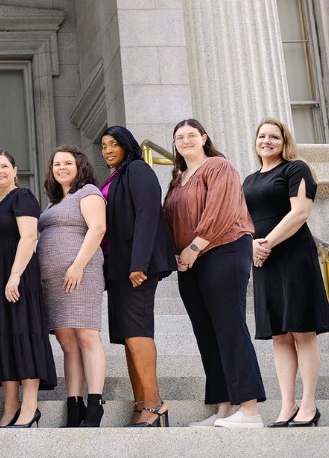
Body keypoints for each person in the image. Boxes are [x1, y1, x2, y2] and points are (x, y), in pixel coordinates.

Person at [163, 118, 265, 428]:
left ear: (204, 138)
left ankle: (249, 410)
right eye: (179, 137)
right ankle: (223, 408)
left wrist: (194, 247)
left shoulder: (219, 166)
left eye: (191, 135)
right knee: (206, 332)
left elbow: (221, 209)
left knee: (229, 326)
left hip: (223, 249)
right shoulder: (177, 179)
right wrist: (177, 254)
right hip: (189, 260)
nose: (185, 141)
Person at [243, 118, 329, 428]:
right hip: (264, 261)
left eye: (274, 137)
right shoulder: (249, 180)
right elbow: (244, 221)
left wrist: (265, 243)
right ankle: (287, 405)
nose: (267, 141)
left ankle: (308, 405)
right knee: (279, 335)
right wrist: (252, 245)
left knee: (302, 331)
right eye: (262, 136)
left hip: (294, 256)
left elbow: (300, 212)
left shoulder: (295, 169)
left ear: (284, 141)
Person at [0, 151, 55, 428]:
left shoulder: (23, 197)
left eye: (4, 166)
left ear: (15, 170)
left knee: (23, 333)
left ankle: (30, 406)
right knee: (1, 338)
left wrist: (14, 276)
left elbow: (29, 237)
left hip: (16, 279)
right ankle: (10, 406)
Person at [99, 126, 176, 427]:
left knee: (138, 331)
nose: (107, 150)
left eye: (113, 144)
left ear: (127, 145)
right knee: (127, 336)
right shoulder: (115, 176)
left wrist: (139, 264)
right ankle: (141, 402)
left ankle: (155, 403)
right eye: (104, 145)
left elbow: (147, 215)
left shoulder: (138, 169)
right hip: (118, 267)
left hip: (136, 267)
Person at [37, 146, 107, 427]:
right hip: (53, 280)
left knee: (87, 336)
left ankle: (95, 403)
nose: (61, 168)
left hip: (81, 272)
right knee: (66, 342)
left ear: (80, 166)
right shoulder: (53, 202)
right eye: (56, 164)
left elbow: (98, 229)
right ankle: (73, 403)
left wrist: (77, 265)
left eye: (67, 163)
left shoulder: (88, 192)